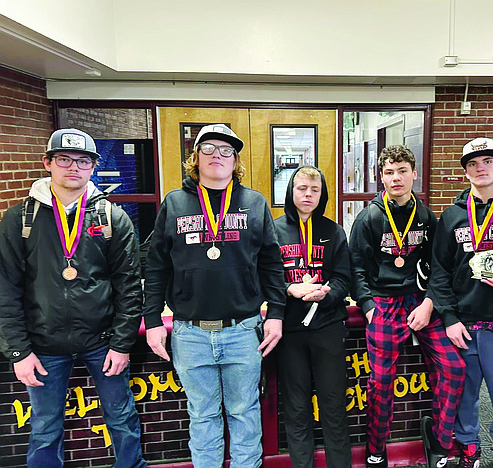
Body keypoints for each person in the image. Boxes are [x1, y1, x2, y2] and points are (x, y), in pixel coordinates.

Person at [0, 128, 146, 468]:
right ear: (47, 163)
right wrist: (19, 351)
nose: (73, 167)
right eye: (64, 159)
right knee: (45, 427)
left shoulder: (112, 218)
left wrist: (122, 344)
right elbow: (6, 289)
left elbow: (128, 286)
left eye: (83, 161)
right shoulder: (19, 219)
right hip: (44, 344)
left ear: (93, 168)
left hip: (102, 341)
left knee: (121, 418)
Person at [143, 124, 285, 468]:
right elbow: (157, 264)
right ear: (196, 158)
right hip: (189, 334)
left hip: (243, 331)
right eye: (208, 149)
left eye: (226, 150)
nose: (217, 156)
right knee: (203, 417)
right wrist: (151, 321)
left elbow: (271, 262)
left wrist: (277, 314)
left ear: (236, 161)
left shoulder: (254, 203)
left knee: (244, 415)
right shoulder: (175, 203)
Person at [349, 145, 465, 468]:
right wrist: (369, 306)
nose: (395, 178)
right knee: (381, 381)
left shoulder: (427, 217)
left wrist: (430, 302)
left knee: (454, 368)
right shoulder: (368, 218)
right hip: (383, 304)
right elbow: (355, 268)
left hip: (421, 303)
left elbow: (439, 268)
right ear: (380, 176)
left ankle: (439, 443)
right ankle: (376, 450)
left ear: (414, 174)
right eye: (388, 172)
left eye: (402, 171)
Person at [428, 138, 493, 468]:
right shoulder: (452, 216)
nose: (480, 168)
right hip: (462, 323)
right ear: (466, 172)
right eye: (472, 163)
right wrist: (448, 317)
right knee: (463, 394)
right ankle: (468, 447)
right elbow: (439, 271)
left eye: (487, 161)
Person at [274, 166, 352, 468]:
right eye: (302, 188)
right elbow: (264, 280)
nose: (308, 195)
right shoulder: (274, 231)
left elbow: (345, 279)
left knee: (334, 406)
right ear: (291, 190)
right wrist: (290, 288)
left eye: (314, 190)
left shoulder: (334, 232)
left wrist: (327, 293)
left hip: (328, 327)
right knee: (296, 408)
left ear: (322, 195)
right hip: (290, 331)